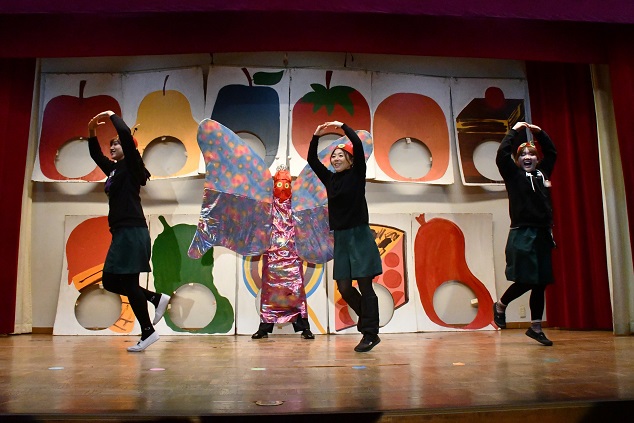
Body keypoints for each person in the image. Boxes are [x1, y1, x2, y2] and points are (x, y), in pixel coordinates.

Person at [88, 110, 170, 352]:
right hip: (122, 232)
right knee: (110, 281)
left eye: (116, 144)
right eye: (110, 144)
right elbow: (95, 154)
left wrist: (112, 115)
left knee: (128, 281)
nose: (112, 147)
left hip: (132, 231)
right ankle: (155, 298)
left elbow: (125, 133)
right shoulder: (114, 170)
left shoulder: (132, 166)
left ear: (128, 147)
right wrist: (91, 130)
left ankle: (148, 331)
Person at [307, 121, 383, 352]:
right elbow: (312, 160)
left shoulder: (357, 173)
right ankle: (367, 321)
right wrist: (316, 135)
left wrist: (342, 127)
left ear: (350, 160)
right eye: (333, 156)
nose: (336, 159)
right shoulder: (330, 179)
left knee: (365, 286)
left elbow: (358, 145)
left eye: (341, 155)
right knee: (344, 287)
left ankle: (370, 333)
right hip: (341, 238)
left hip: (359, 236)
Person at [493, 121, 557, 346]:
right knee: (528, 279)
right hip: (522, 233)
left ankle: (536, 327)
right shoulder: (513, 175)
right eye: (522, 155)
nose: (527, 157)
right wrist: (515, 131)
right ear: (517, 160)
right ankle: (501, 305)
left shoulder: (542, 173)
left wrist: (540, 133)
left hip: (542, 234)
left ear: (537, 159)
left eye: (531, 154)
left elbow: (552, 152)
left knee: (540, 282)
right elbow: (502, 155)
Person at [251, 166, 315, 340]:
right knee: (270, 292)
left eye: (286, 184)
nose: (282, 188)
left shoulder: (297, 206)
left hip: (292, 257)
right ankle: (264, 328)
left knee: (295, 292)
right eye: (279, 184)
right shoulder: (267, 207)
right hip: (272, 257)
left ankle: (304, 327)